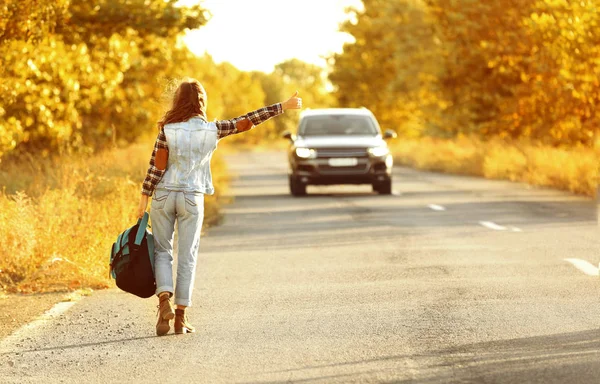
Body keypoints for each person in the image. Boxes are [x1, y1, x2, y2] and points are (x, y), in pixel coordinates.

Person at [136, 79, 302, 336]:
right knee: (187, 255)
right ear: (202, 101)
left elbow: (156, 166)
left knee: (162, 250)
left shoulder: (168, 129)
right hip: (192, 197)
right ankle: (180, 317)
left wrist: (143, 198)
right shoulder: (213, 129)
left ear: (178, 101)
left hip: (164, 195)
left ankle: (164, 303)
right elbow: (247, 121)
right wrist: (283, 106)